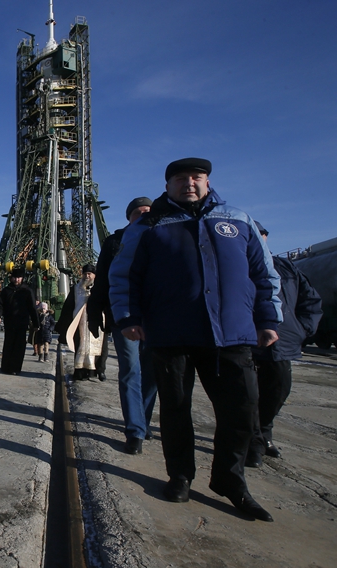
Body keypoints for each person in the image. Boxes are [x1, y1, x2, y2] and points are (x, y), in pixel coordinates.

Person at [109, 157, 281, 522]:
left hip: (231, 332)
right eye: (181, 178)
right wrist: (128, 318)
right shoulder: (150, 225)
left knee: (242, 408)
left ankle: (230, 481)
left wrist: (269, 318)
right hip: (172, 332)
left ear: (207, 182)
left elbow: (264, 274)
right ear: (168, 185)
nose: (190, 183)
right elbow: (124, 275)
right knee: (176, 408)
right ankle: (181, 475)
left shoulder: (237, 219)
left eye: (197, 177)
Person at [87, 197, 158, 455]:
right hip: (124, 315)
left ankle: (144, 420)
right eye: (139, 212)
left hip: (157, 316)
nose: (145, 214)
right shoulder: (115, 241)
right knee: (130, 370)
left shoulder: (161, 236)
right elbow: (104, 278)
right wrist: (94, 312)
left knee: (152, 374)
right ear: (129, 216)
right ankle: (135, 430)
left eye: (149, 211)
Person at [248, 222, 322, 465]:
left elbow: (310, 300)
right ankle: (254, 442)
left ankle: (263, 433)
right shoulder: (235, 266)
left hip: (282, 342)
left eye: (258, 235)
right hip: (245, 341)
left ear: (266, 237)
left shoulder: (287, 268)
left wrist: (303, 329)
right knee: (246, 394)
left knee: (277, 391)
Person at [55, 264, 106, 381]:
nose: (87, 276)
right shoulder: (76, 288)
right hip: (79, 322)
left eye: (89, 274)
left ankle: (98, 371)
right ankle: (79, 372)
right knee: (79, 346)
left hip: (97, 321)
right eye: (85, 274)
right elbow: (69, 306)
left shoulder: (100, 287)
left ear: (94, 275)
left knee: (98, 348)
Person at [0, 268, 39, 374]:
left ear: (22, 278)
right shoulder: (6, 290)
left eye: (18, 278)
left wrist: (36, 323)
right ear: (11, 278)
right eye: (14, 278)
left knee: (19, 346)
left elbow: (32, 308)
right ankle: (5, 367)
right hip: (9, 322)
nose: (16, 280)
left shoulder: (27, 291)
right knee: (8, 345)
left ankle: (15, 368)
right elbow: (0, 304)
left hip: (22, 322)